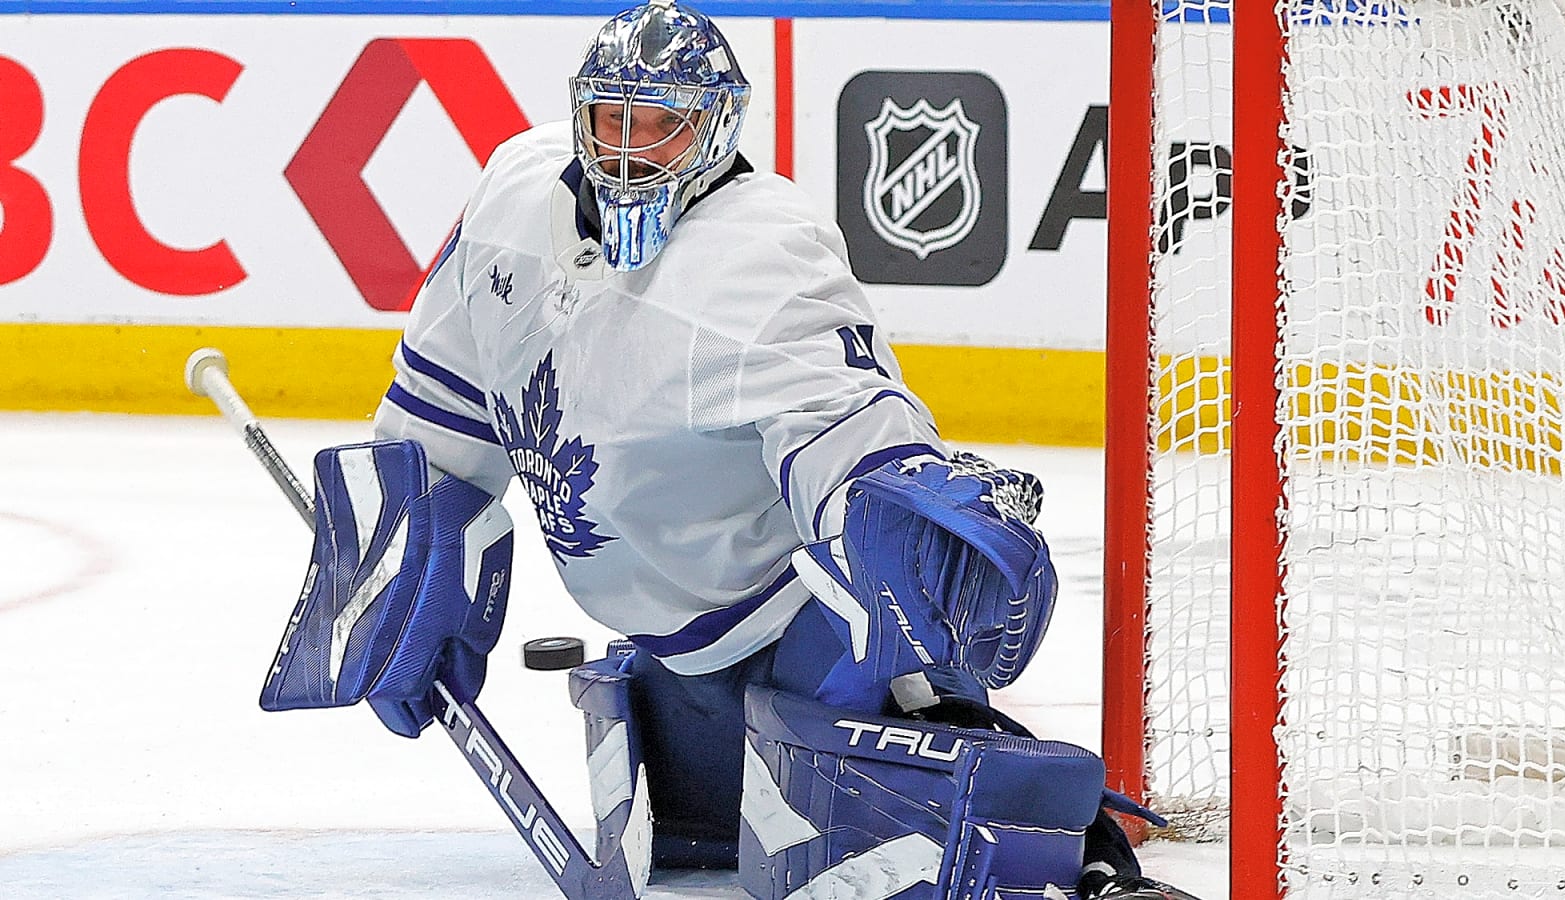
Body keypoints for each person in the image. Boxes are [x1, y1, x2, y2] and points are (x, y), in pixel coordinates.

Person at [262, 2, 1199, 898]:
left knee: (928, 858)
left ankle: (1076, 842)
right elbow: (440, 417)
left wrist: (904, 544)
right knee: (701, 845)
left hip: (797, 644)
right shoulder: (513, 198)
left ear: (713, 132)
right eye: (611, 120)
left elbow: (853, 446)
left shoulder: (758, 257)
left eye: (660, 127)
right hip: (662, 663)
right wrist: (404, 566)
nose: (627, 151)